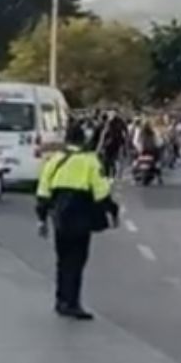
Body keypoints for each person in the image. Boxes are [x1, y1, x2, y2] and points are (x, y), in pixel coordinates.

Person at [35, 122, 118, 321]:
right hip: (81, 217)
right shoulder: (90, 161)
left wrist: (41, 220)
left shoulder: (54, 160)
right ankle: (72, 303)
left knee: (62, 260)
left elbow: (43, 192)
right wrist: (113, 212)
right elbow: (101, 192)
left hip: (60, 218)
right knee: (77, 261)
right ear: (82, 140)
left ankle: (61, 300)